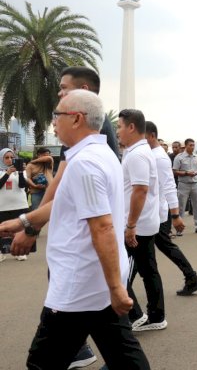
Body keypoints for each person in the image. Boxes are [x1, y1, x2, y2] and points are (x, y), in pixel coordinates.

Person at [1, 90, 150, 369]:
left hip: (79, 285)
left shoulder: (85, 163)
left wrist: (117, 288)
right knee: (125, 360)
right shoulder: (101, 154)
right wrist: (24, 222)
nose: (53, 121)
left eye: (57, 115)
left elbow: (103, 227)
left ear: (77, 118)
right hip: (98, 282)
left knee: (42, 363)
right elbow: (68, 203)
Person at [117, 109, 166, 332]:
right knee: (147, 270)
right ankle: (154, 316)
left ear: (131, 127)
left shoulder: (137, 155)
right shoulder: (138, 152)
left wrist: (130, 225)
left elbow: (140, 191)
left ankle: (136, 314)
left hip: (138, 225)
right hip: (142, 222)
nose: (117, 131)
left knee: (120, 269)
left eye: (119, 126)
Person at [145, 122, 197, 296]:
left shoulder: (159, 157)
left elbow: (169, 186)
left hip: (158, 212)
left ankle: (192, 277)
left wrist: (176, 215)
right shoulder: (152, 155)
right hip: (154, 212)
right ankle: (191, 277)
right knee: (159, 248)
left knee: (148, 251)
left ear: (150, 135)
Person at [173, 138, 197, 235]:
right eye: (190, 145)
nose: (192, 147)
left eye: (193, 145)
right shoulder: (179, 157)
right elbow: (174, 171)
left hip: (195, 184)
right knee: (181, 207)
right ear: (186, 145)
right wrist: (186, 173)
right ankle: (179, 229)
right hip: (183, 184)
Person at [0, 148, 29, 262]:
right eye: (6, 158)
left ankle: (19, 253)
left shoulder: (20, 171)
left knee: (19, 231)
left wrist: (21, 172)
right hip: (2, 206)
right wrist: (7, 173)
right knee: (2, 231)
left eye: (12, 157)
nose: (9, 160)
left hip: (19, 205)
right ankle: (1, 252)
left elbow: (22, 185)